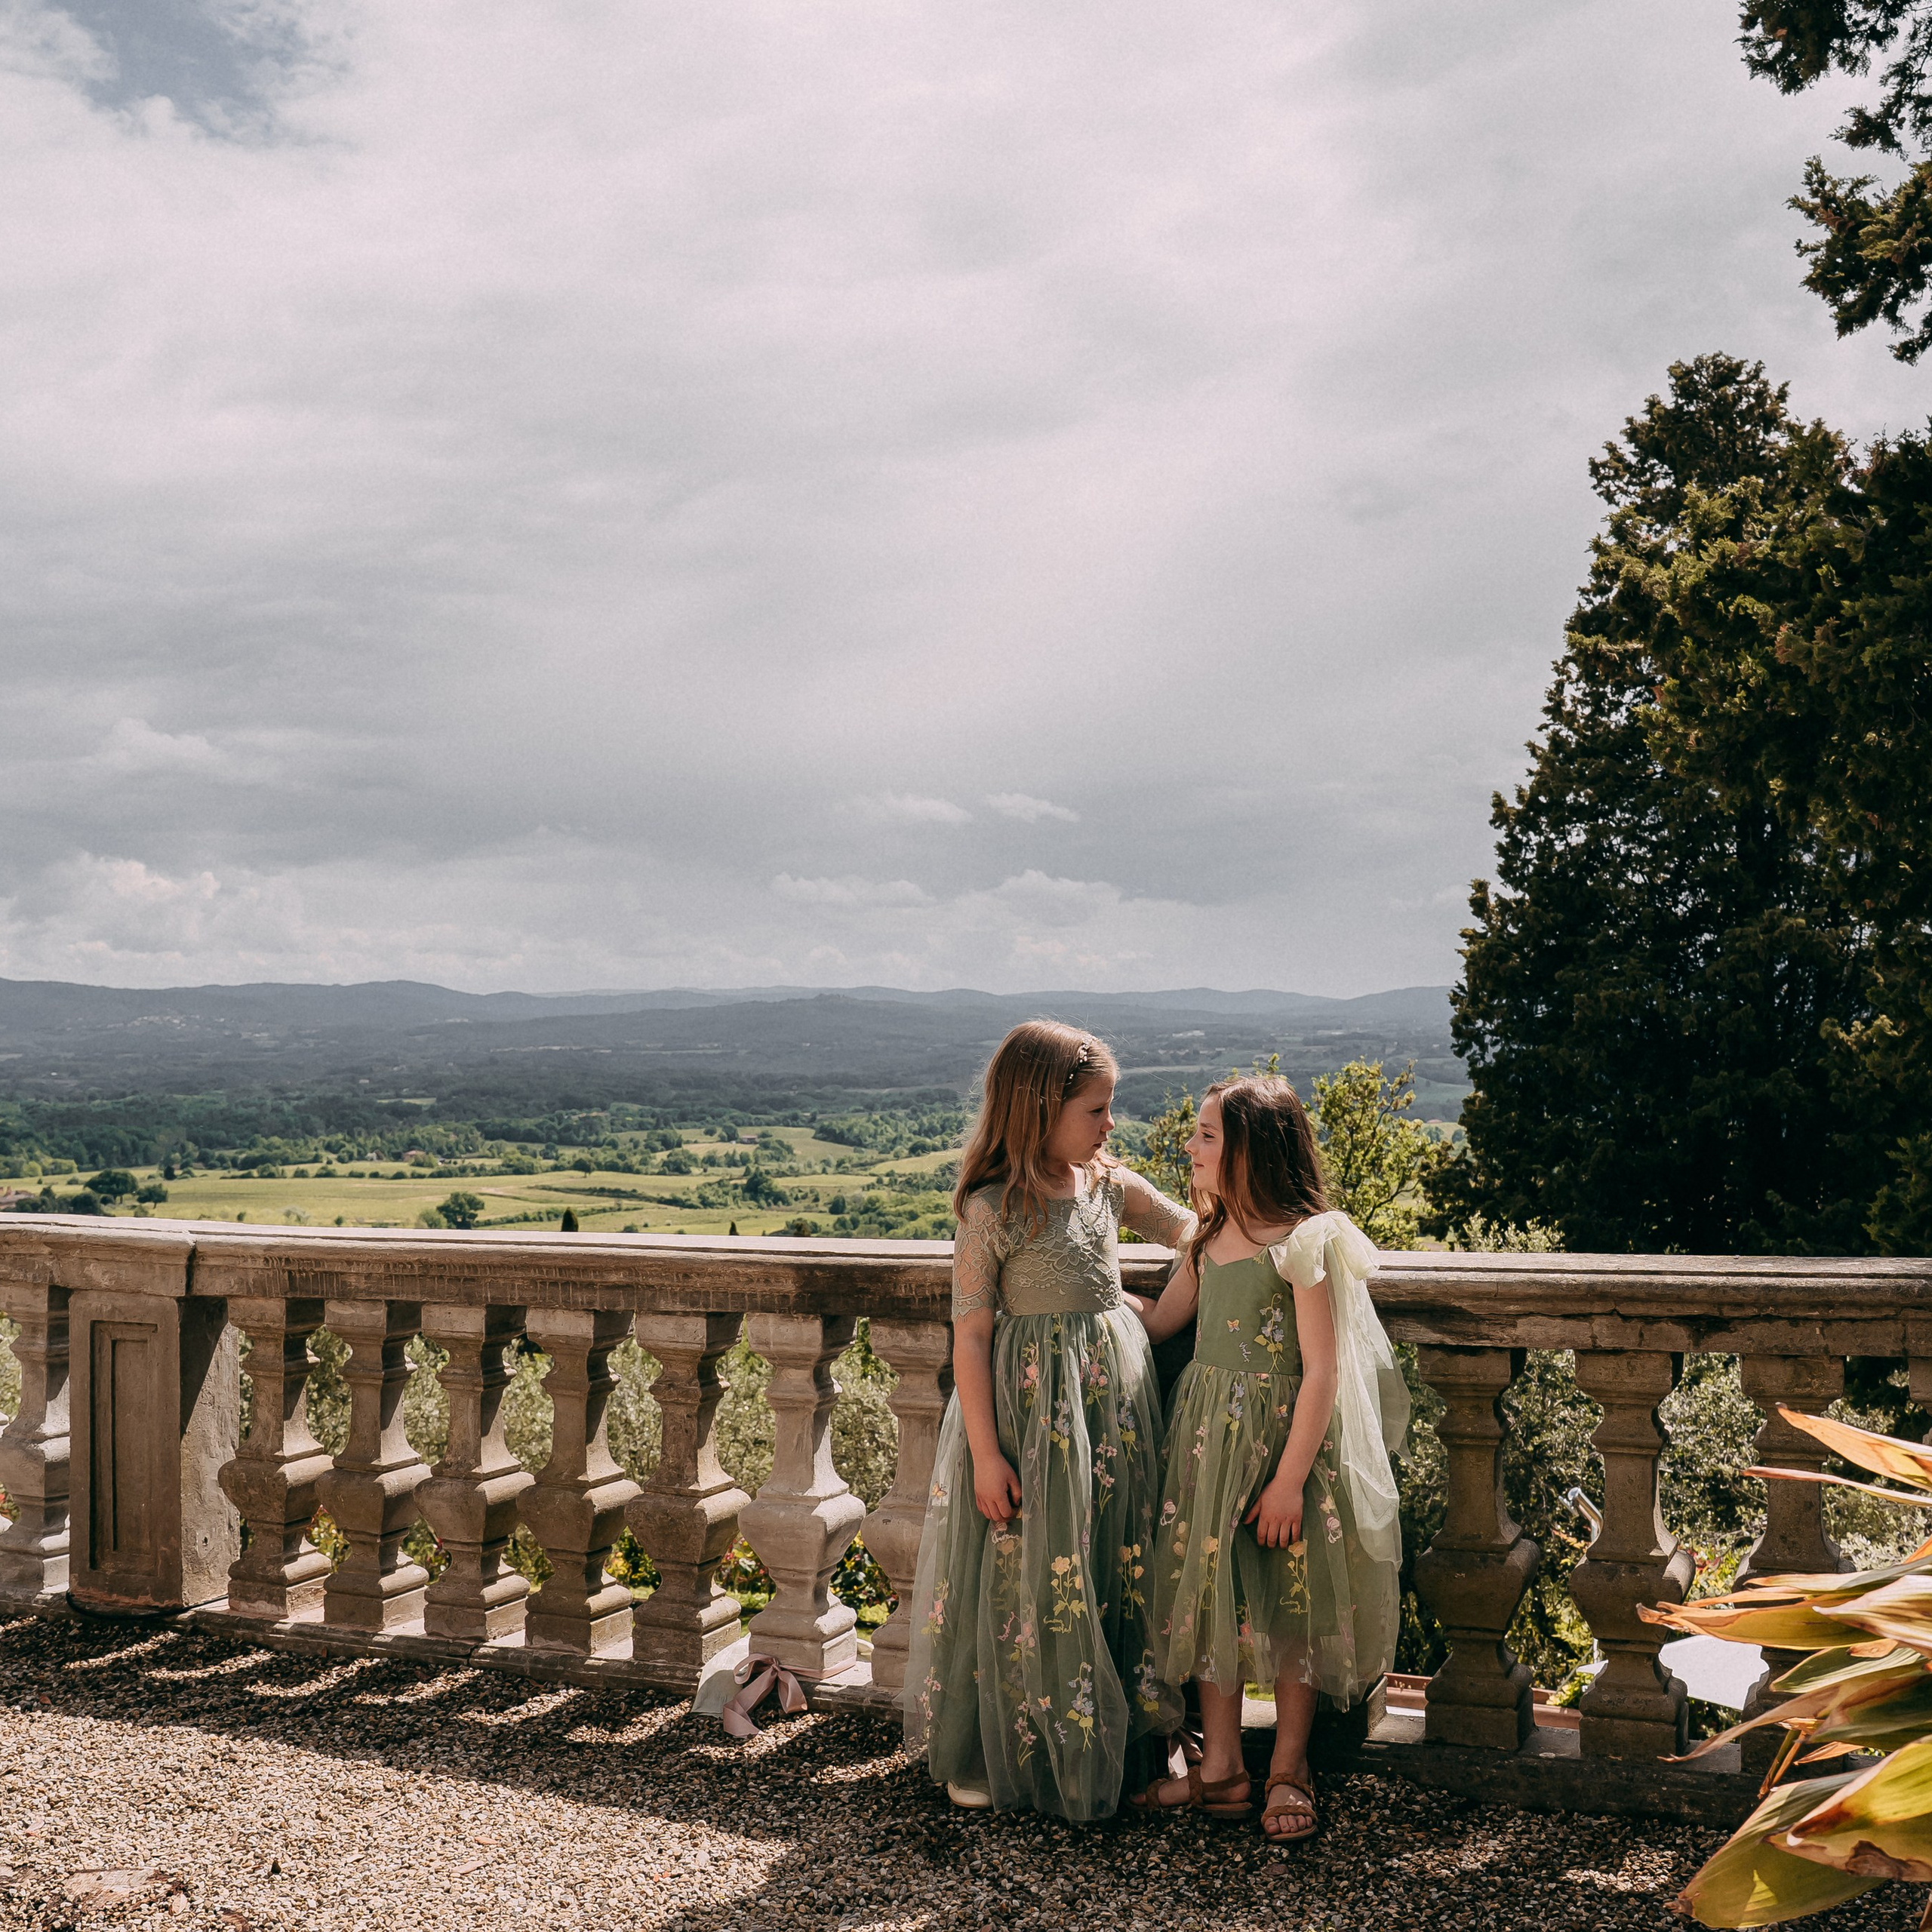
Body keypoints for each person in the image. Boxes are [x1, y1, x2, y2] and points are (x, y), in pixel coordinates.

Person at [903, 1020, 1194, 1819]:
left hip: (1114, 1412)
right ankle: (1006, 1754)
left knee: (1111, 1564)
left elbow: (1194, 1231)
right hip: (1030, 1419)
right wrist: (988, 1456)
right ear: (1038, 1110)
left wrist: (1154, 1309)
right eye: (1096, 1109)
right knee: (1026, 1574)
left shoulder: (1107, 1184)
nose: (1110, 1125)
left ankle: (1112, 1747)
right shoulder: (992, 1208)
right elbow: (969, 1330)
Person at [1129, 1074, 1406, 1841]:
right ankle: (1220, 1765)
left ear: (1250, 1149)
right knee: (1210, 1598)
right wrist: (1087, 1302)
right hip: (1206, 1447)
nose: (1190, 1145)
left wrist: (1287, 1481)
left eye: (1208, 1134)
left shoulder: (1302, 1242)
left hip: (1282, 1449)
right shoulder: (1204, 1238)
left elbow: (1322, 1368)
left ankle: (1289, 1764)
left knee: (1292, 1609)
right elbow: (1163, 1324)